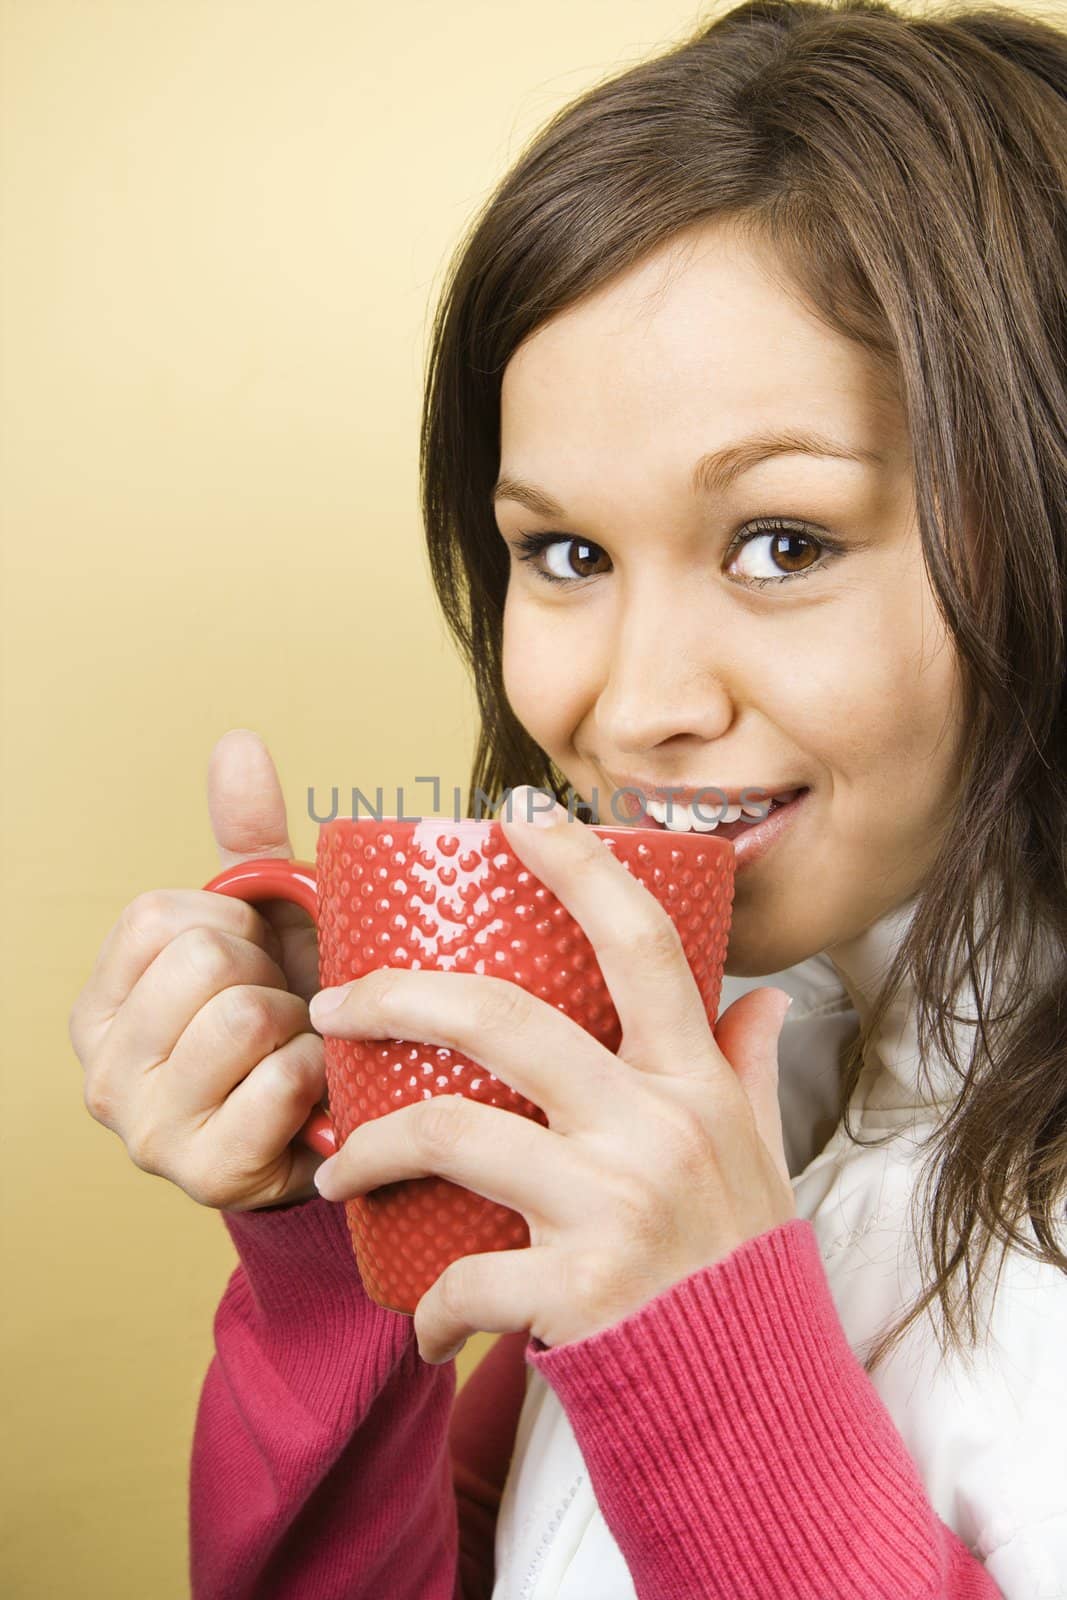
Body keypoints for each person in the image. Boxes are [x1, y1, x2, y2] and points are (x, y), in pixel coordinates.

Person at [67, 1, 1067, 1595]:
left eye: (784, 542)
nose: (637, 706)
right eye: (566, 555)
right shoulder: (710, 1079)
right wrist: (353, 1216)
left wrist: (711, 1355)